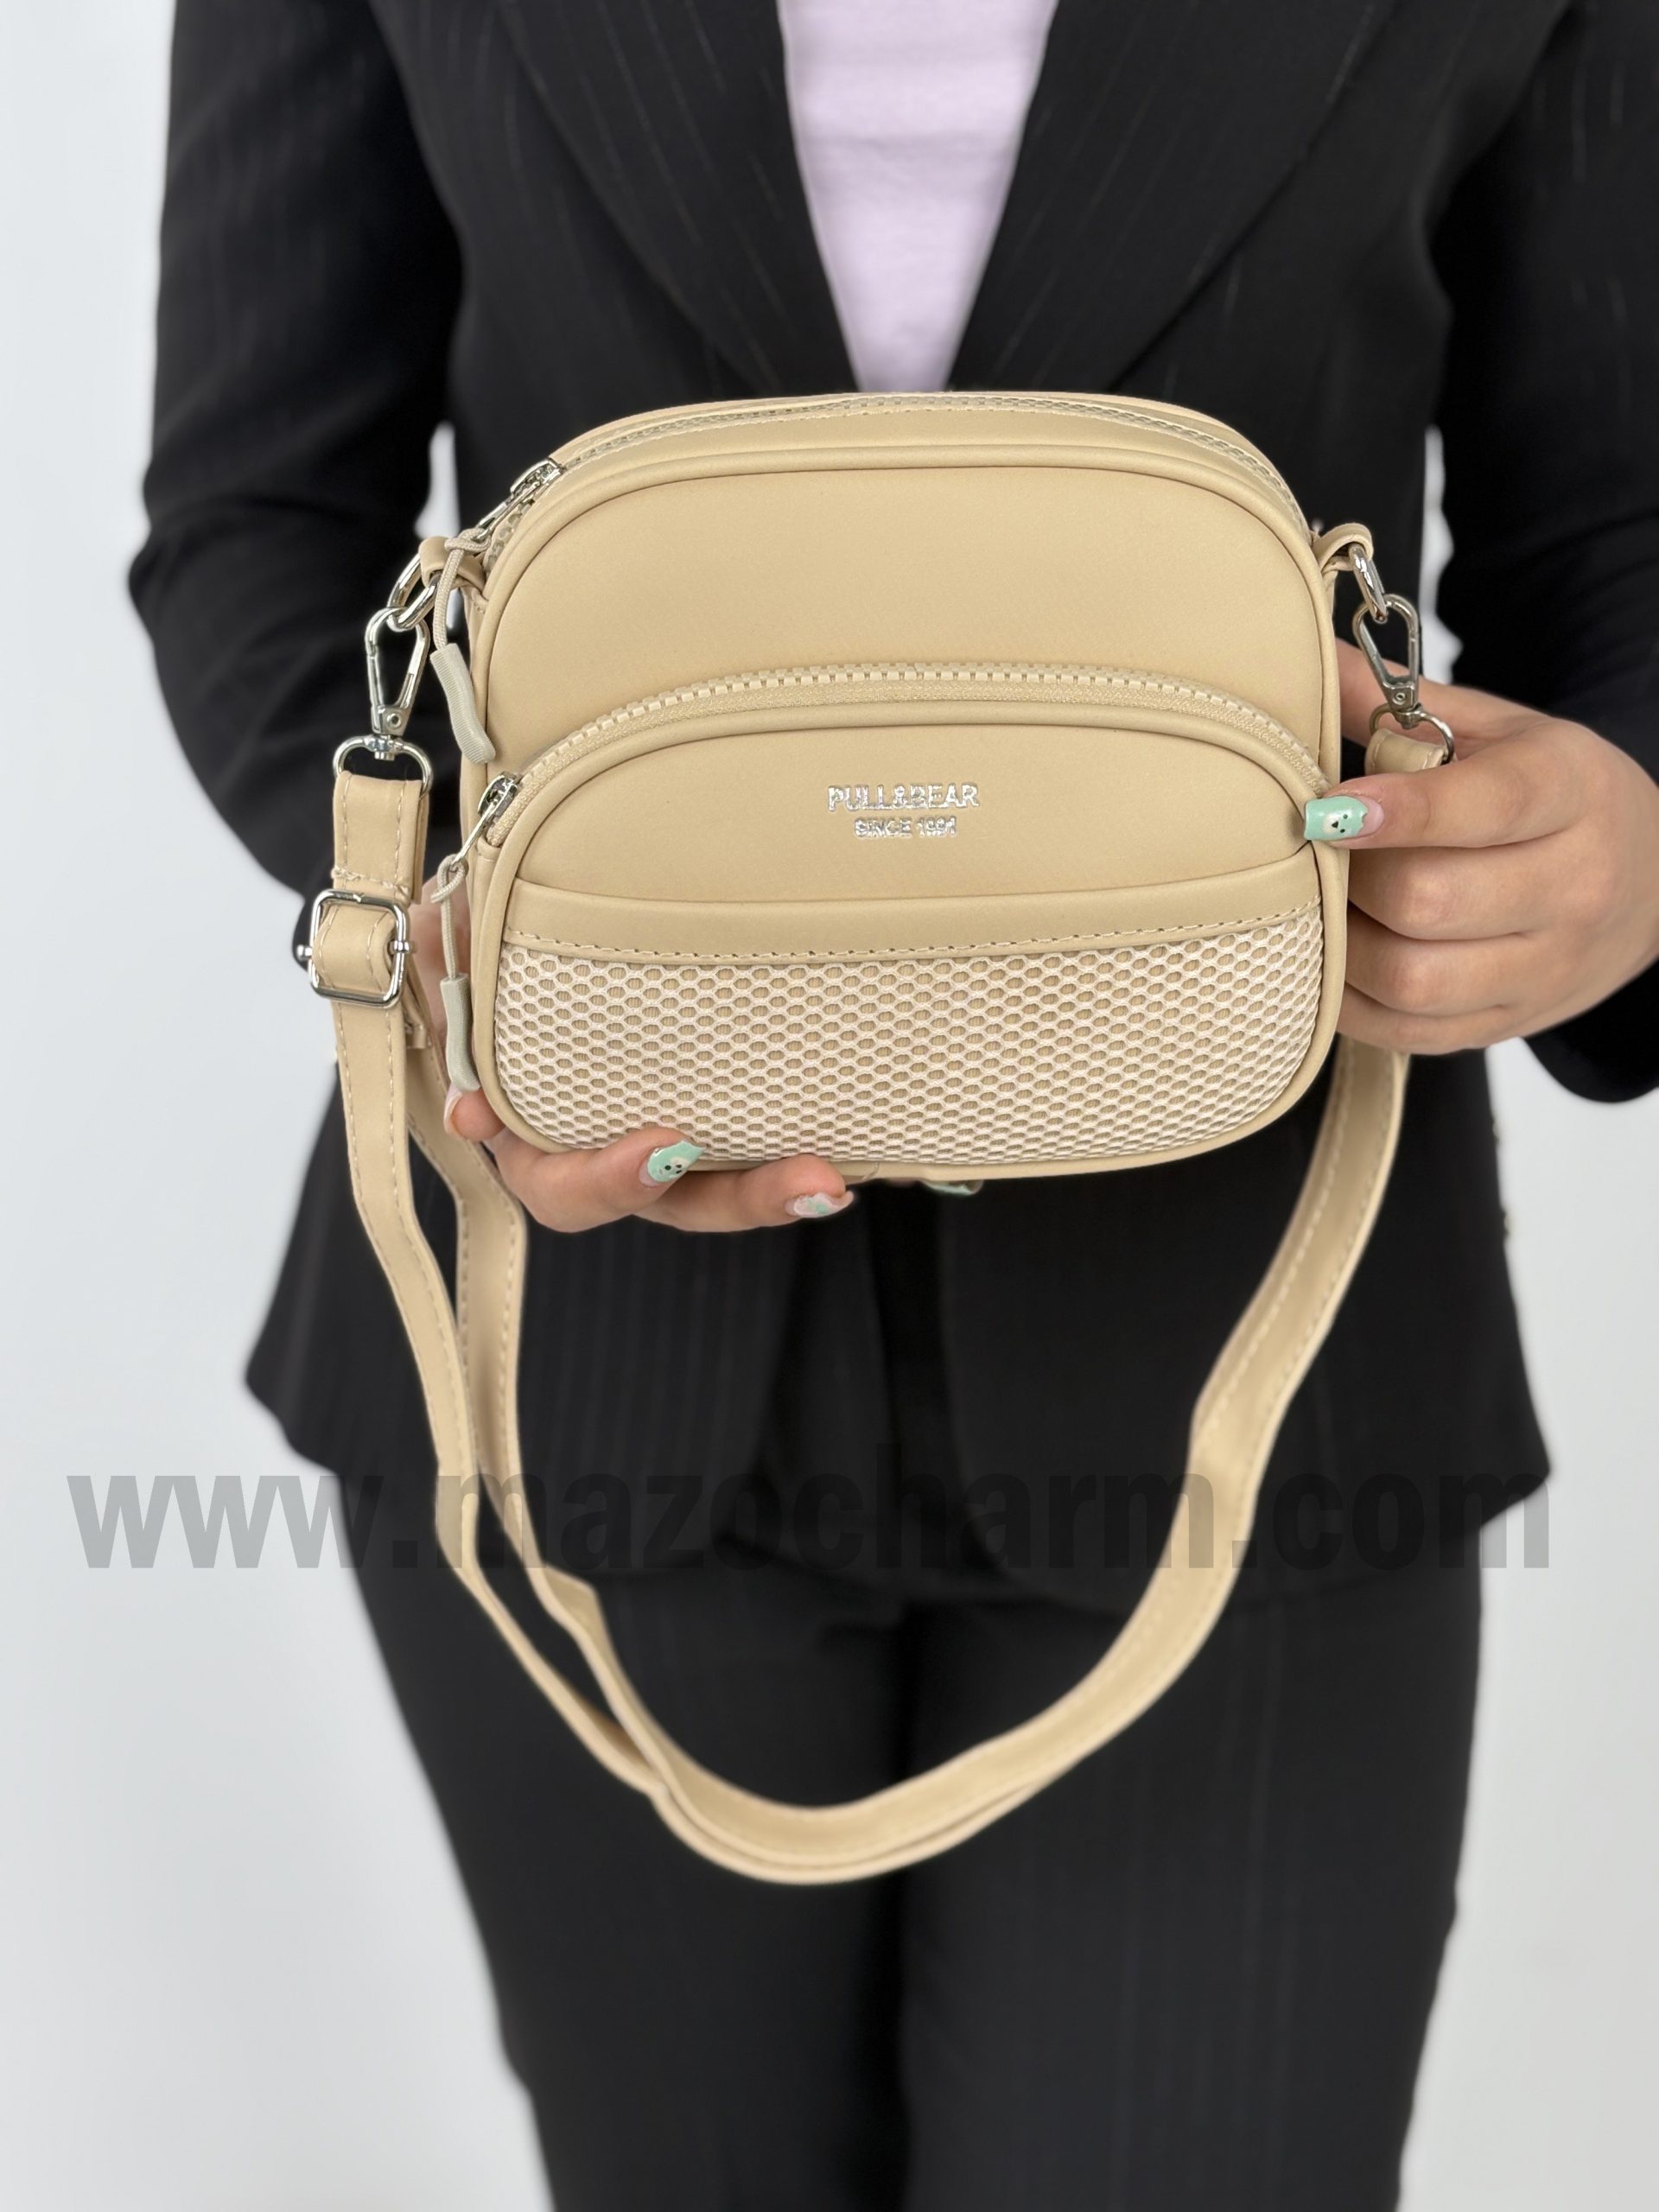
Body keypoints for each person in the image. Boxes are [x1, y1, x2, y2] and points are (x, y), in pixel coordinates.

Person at [132, 3, 1659, 2206]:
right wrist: (458, 945)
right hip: (570, 1338)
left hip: (1271, 1332)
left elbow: (1616, 523)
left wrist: (1624, 833)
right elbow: (259, 520)